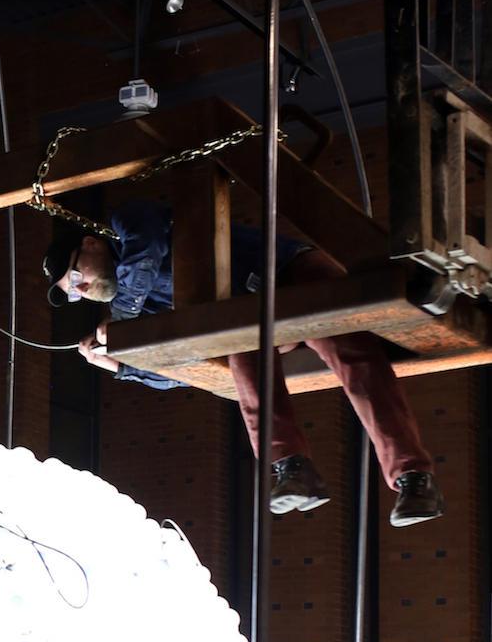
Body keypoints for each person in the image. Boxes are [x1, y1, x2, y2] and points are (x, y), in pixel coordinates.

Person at [43, 203, 445, 527]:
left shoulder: (129, 220)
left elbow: (145, 249)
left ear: (92, 243)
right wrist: (123, 366)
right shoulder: (144, 310)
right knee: (239, 357)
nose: (82, 289)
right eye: (74, 293)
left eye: (76, 276)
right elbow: (189, 369)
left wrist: (125, 320)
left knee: (349, 349)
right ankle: (292, 468)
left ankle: (413, 477)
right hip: (249, 320)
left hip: (290, 272)